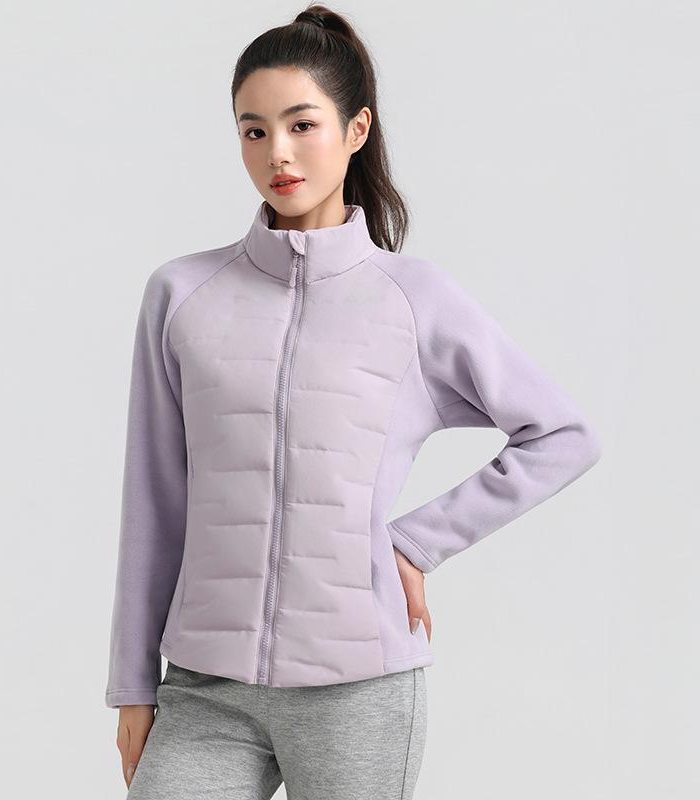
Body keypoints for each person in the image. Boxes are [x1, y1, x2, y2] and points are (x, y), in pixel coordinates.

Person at [105, 5, 602, 798]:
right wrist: (133, 682)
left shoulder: (414, 299)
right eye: (254, 130)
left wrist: (416, 543)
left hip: (359, 688)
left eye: (302, 125)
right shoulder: (183, 294)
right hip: (203, 687)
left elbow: (561, 434)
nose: (278, 152)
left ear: (356, 128)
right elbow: (154, 502)